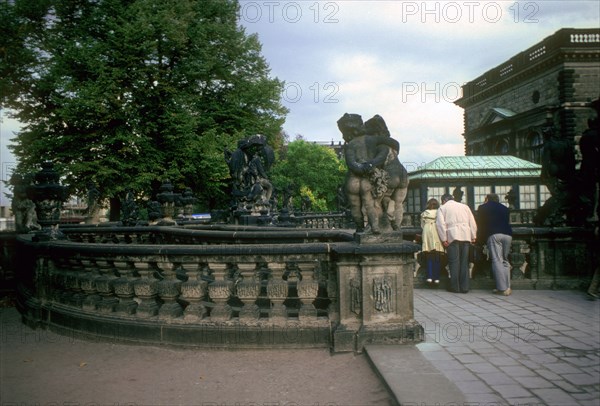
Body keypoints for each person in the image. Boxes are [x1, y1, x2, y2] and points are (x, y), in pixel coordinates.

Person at [436, 193, 477, 293]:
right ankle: (465, 287)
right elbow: (472, 222)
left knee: (454, 262)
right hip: (466, 235)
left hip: (452, 236)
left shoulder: (442, 208)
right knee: (464, 262)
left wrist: (444, 239)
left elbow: (440, 224)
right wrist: (473, 236)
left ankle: (455, 287)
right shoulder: (464, 206)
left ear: (443, 200)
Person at [477, 193, 513, 296]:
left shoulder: (483, 207)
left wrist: (481, 239)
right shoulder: (505, 208)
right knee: (505, 260)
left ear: (487, 199)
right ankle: (508, 286)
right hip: (508, 235)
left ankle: (502, 288)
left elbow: (481, 225)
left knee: (497, 260)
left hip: (494, 235)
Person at [420, 198, 445, 285]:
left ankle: (429, 277)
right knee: (437, 256)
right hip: (436, 231)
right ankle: (436, 277)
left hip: (427, 231)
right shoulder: (439, 213)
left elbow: (422, 225)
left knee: (429, 256)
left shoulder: (424, 213)